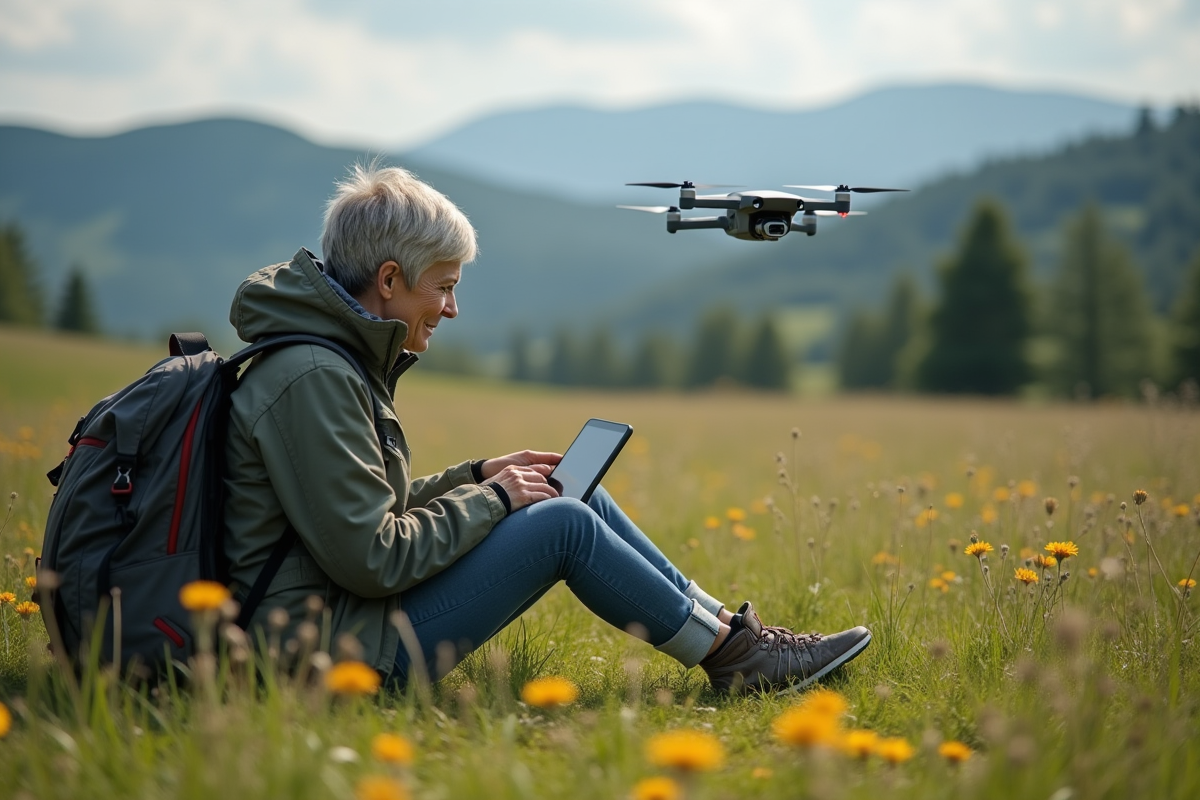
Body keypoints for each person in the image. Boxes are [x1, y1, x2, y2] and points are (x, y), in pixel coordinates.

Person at [222, 163, 871, 694]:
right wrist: (496, 500)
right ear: (389, 280)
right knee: (561, 523)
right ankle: (741, 663)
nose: (452, 308)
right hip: (331, 659)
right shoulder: (312, 376)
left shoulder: (327, 361)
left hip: (348, 622)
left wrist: (478, 477)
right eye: (443, 287)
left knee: (568, 490)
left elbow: (357, 516)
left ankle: (734, 638)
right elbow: (374, 557)